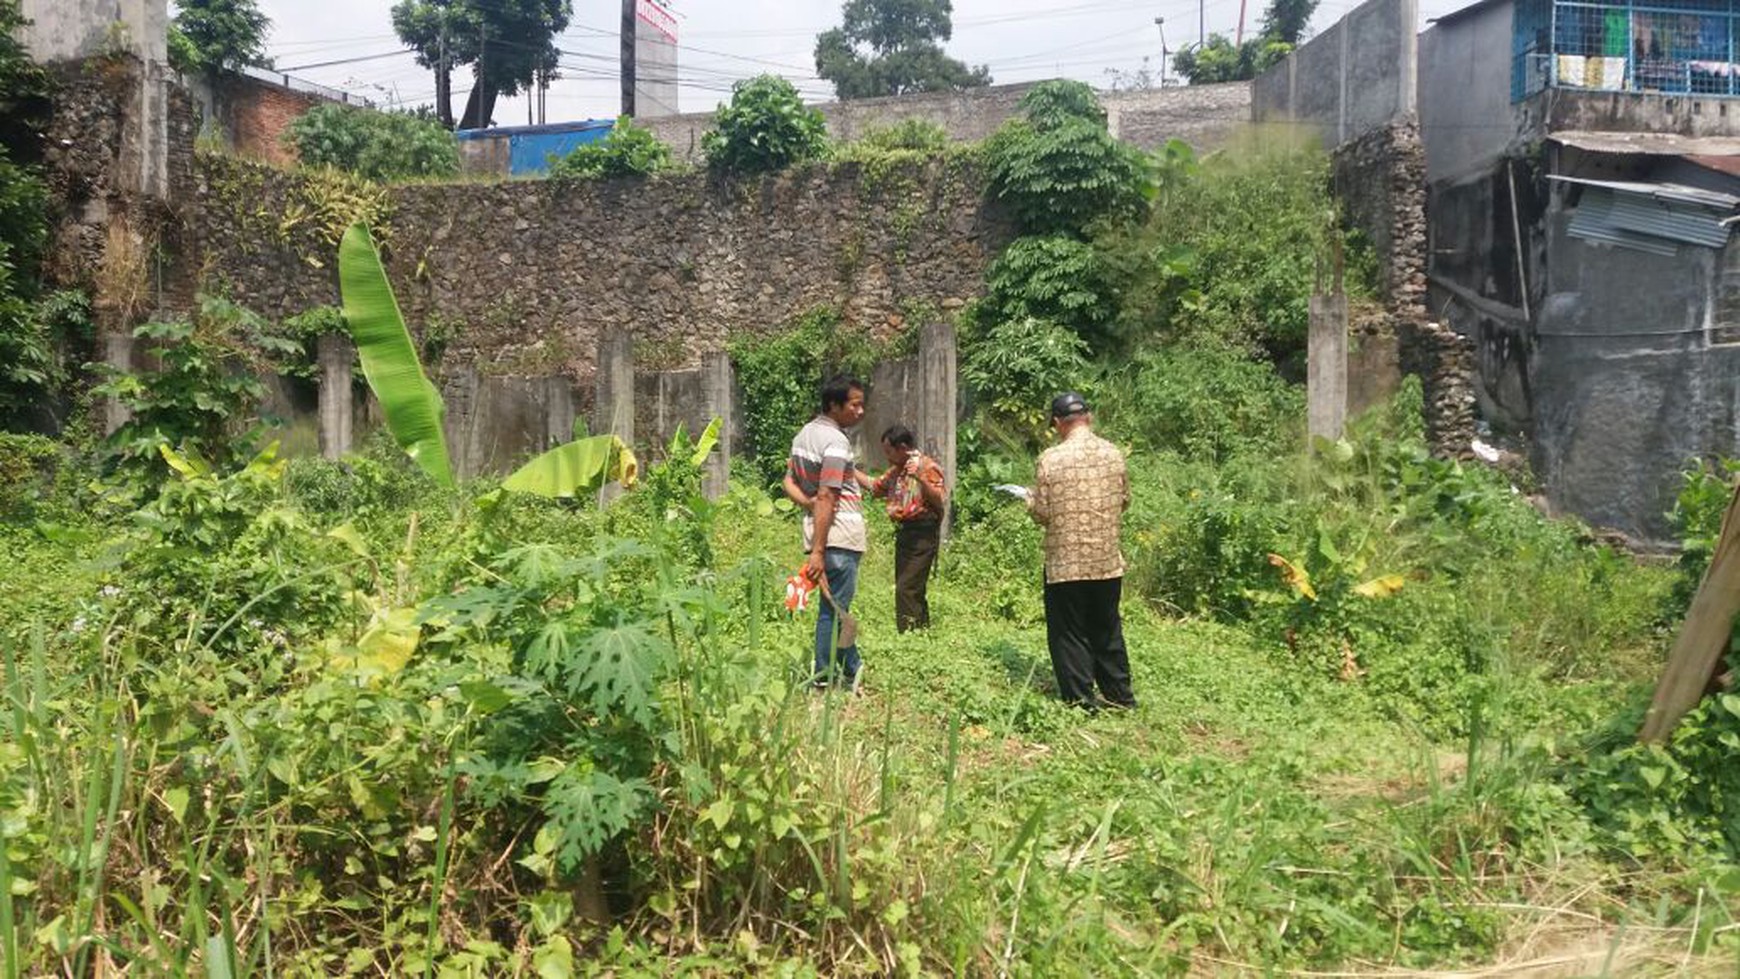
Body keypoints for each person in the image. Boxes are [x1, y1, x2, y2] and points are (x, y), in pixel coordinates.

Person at [1024, 392, 1135, 710]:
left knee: (1069, 632)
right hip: (1106, 561)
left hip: (1065, 564)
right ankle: (1120, 696)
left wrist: (1029, 500)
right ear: (1089, 417)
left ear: (1058, 424)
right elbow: (1124, 500)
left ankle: (1081, 700)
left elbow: (1043, 513)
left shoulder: (1051, 459)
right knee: (1107, 627)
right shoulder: (1113, 453)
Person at [785, 375, 869, 692]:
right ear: (834, 405)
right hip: (838, 537)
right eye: (854, 404)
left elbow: (788, 482)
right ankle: (824, 677)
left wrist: (807, 505)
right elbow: (828, 496)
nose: (860, 411)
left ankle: (851, 668)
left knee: (833, 608)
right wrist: (820, 550)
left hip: (820, 534)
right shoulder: (835, 442)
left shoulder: (804, 435)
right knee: (834, 612)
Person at [868, 424, 947, 631]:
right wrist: (848, 471)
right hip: (905, 531)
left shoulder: (926, 467)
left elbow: (939, 500)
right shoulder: (897, 471)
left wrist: (919, 478)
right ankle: (921, 630)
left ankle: (909, 633)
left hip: (923, 532)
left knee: (906, 587)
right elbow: (875, 487)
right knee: (911, 586)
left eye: (889, 451)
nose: (886, 456)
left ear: (903, 447)